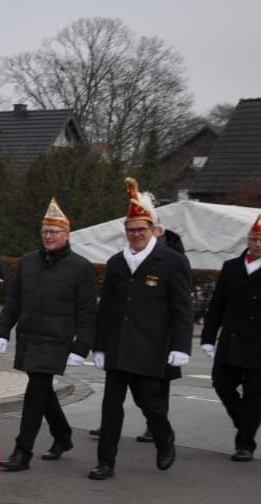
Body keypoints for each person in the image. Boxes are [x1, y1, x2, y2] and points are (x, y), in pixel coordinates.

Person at [89, 178, 194, 480]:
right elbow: (107, 308)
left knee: (150, 403)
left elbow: (182, 308)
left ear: (152, 230)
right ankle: (105, 462)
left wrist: (181, 346)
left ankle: (164, 438)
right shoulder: (116, 263)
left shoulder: (172, 262)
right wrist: (99, 345)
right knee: (111, 406)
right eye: (131, 230)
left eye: (141, 229)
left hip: (150, 347)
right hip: (117, 346)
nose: (135, 234)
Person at [0, 198, 96, 471]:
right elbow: (13, 301)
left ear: (67, 235)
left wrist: (81, 346)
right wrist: (2, 331)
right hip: (29, 337)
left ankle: (22, 452)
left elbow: (87, 312)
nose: (48, 236)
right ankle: (63, 436)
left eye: (54, 232)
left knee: (35, 392)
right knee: (42, 389)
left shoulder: (81, 267)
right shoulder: (28, 262)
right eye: (45, 232)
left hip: (57, 340)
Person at [199, 214, 261, 462]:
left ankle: (245, 444)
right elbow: (217, 306)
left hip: (258, 344)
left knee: (254, 395)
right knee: (222, 384)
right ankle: (245, 423)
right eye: (254, 239)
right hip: (231, 340)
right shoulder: (232, 267)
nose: (257, 244)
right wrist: (207, 338)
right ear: (248, 240)